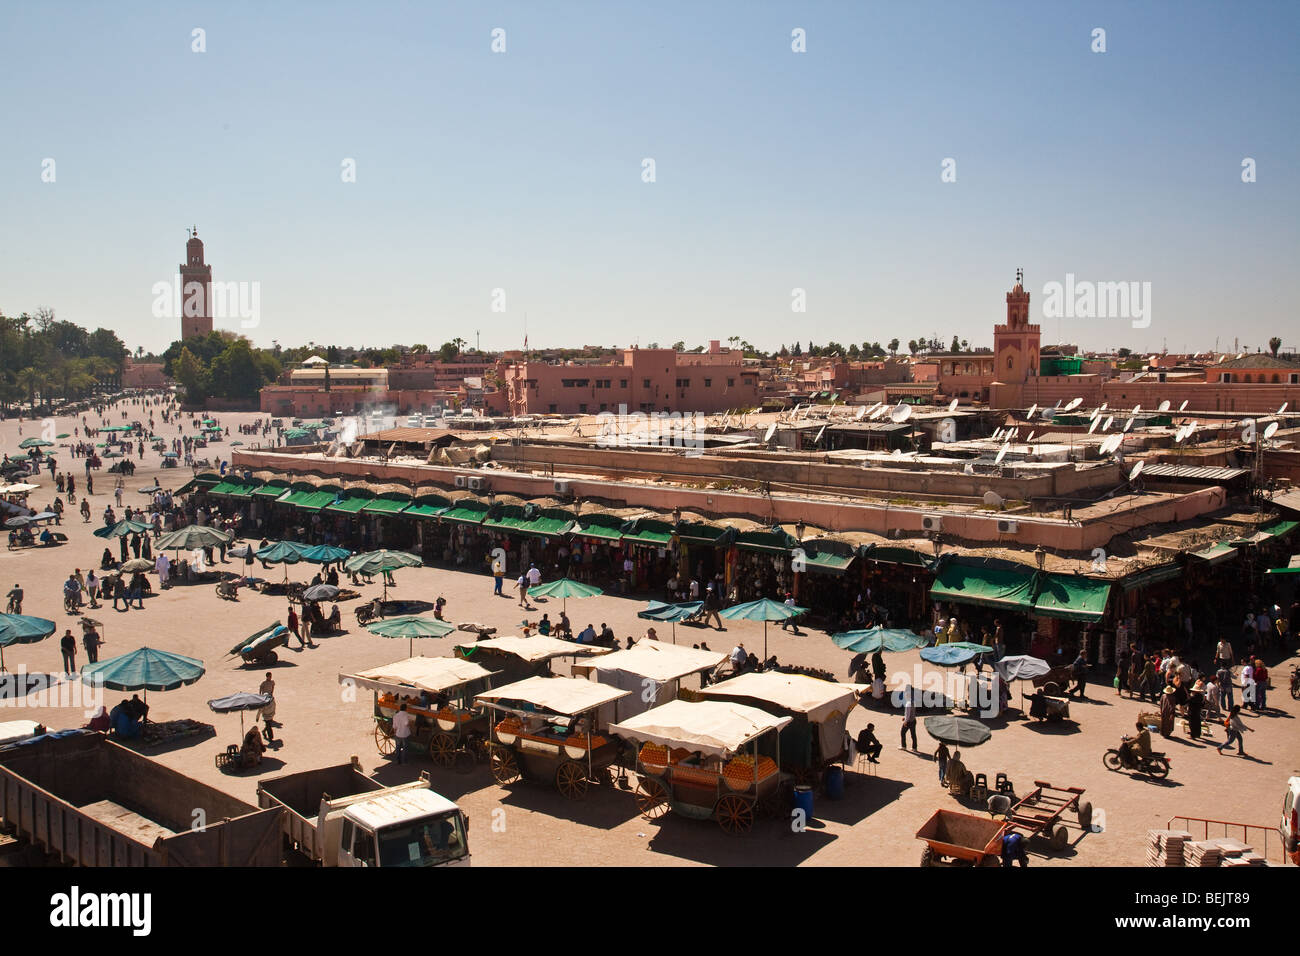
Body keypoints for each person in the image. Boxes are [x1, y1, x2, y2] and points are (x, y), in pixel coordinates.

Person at [259, 673, 276, 742]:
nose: (270, 678)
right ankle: (270, 737)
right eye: (269, 677)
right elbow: (260, 689)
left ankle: (264, 731)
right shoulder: (264, 683)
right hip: (264, 699)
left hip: (269, 698)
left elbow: (273, 688)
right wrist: (260, 696)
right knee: (269, 725)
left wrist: (272, 693)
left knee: (269, 724)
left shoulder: (272, 682)